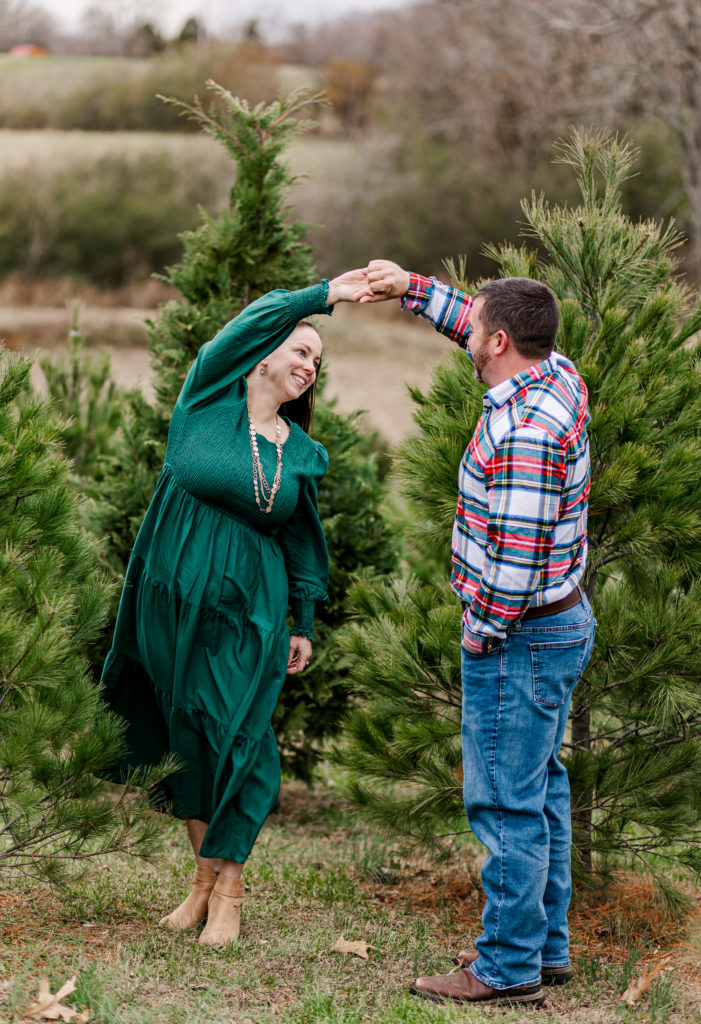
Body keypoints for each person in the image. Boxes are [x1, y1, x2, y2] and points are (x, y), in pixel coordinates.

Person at [101, 270, 370, 947]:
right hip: (170, 604)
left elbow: (303, 540)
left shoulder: (302, 454)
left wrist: (302, 621)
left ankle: (231, 894)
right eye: (301, 351)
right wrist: (322, 295)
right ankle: (199, 883)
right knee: (188, 735)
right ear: (262, 354)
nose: (310, 365)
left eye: (317, 360)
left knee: (240, 741)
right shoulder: (204, 404)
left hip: (250, 613)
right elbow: (243, 324)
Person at [361, 259, 596, 1008]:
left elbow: (520, 554)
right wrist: (410, 287)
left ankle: (505, 968)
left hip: (520, 633)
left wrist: (483, 633)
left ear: (498, 342)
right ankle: (543, 948)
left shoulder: (526, 428)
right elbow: (476, 316)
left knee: (503, 804)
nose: (466, 332)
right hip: (560, 623)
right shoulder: (551, 370)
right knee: (540, 789)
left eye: (476, 327)